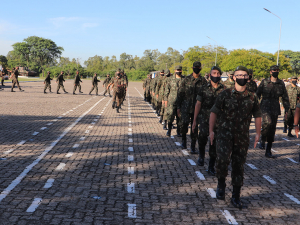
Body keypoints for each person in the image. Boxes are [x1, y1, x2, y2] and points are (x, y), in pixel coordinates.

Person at [209, 66, 262, 208]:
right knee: (222, 161)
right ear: (233, 77)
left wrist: (258, 133)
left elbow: (257, 115)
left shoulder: (252, 96)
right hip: (224, 135)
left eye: (244, 75)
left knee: (239, 166)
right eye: (238, 75)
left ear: (248, 77)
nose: (242, 77)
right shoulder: (225, 94)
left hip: (242, 137)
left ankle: (236, 195)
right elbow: (214, 112)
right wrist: (211, 131)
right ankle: (221, 185)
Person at [192, 66, 226, 171]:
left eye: (218, 73)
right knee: (202, 138)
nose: (216, 75)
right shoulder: (203, 88)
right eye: (214, 73)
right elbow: (198, 104)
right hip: (204, 118)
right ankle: (201, 156)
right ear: (210, 75)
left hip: (218, 120)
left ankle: (211, 165)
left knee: (215, 142)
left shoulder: (224, 89)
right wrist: (194, 120)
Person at [256, 65, 290, 158]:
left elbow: (285, 97)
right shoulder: (264, 82)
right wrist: (255, 105)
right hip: (265, 106)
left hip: (275, 106)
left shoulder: (281, 83)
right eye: (274, 70)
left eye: (277, 70)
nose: (276, 72)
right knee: (267, 123)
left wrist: (287, 109)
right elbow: (258, 94)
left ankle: (268, 150)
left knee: (272, 129)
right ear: (270, 72)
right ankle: (263, 138)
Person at [177, 61, 207, 153]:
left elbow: (206, 95)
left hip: (197, 109)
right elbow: (180, 94)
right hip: (186, 107)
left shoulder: (203, 81)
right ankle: (184, 141)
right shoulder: (186, 80)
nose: (196, 68)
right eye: (195, 67)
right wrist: (178, 107)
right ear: (192, 68)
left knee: (195, 128)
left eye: (198, 67)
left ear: (200, 68)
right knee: (184, 124)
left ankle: (193, 146)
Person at [164, 66, 184, 137]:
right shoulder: (170, 79)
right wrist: (165, 100)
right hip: (171, 101)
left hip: (181, 102)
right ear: (175, 70)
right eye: (177, 70)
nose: (179, 71)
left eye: (180, 70)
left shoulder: (184, 79)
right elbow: (166, 90)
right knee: (170, 116)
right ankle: (169, 130)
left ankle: (178, 131)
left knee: (180, 117)